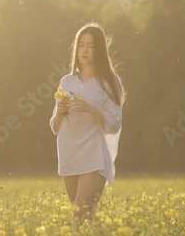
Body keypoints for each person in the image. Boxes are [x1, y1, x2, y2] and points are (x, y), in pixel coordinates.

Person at [49, 22, 126, 228]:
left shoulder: (109, 82)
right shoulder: (66, 81)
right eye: (81, 45)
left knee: (78, 218)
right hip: (68, 153)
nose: (84, 50)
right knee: (85, 221)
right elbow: (55, 126)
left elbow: (115, 124)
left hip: (93, 155)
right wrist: (61, 110)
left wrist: (91, 109)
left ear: (99, 49)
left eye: (90, 46)